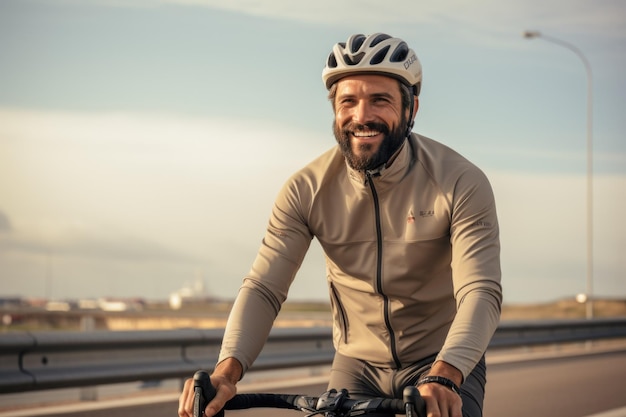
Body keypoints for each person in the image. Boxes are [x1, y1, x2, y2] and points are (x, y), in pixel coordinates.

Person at [179, 33, 502, 417]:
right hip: (357, 364)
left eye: (379, 100)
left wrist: (446, 375)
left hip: (439, 356)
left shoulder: (459, 181)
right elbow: (264, 288)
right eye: (348, 101)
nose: (361, 116)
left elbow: (480, 290)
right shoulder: (307, 189)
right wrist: (226, 372)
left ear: (412, 108)